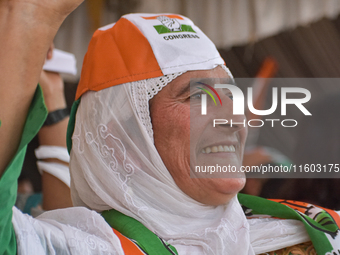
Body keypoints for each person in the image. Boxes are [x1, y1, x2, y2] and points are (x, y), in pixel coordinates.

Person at [0, 6, 338, 255]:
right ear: (127, 143)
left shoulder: (308, 229)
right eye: (197, 96)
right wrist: (31, 18)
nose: (235, 119)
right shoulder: (87, 249)